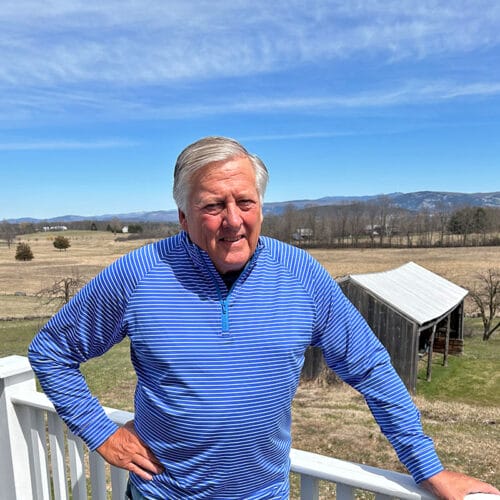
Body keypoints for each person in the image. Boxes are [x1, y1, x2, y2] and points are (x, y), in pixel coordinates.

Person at [29, 136, 499, 500]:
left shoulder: (301, 276)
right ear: (182, 217)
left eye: (245, 202)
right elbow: (51, 350)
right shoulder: (140, 274)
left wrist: (428, 468)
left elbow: (372, 367)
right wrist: (99, 430)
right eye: (213, 205)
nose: (233, 220)